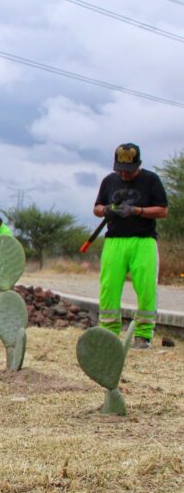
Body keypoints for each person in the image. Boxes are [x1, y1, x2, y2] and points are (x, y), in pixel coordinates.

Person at [93, 143, 168, 348]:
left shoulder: (151, 180)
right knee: (109, 287)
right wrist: (107, 209)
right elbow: (97, 208)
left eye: (129, 170)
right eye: (120, 169)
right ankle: (108, 332)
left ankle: (143, 335)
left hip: (143, 241)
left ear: (139, 164)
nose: (124, 174)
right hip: (114, 241)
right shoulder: (109, 181)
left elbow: (162, 210)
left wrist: (136, 211)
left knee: (146, 288)